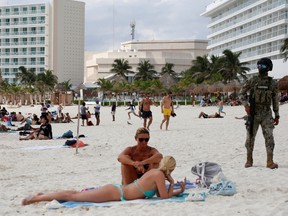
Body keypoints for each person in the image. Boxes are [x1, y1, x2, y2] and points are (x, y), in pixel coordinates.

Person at [22, 156, 186, 205]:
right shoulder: (157, 174)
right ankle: (36, 198)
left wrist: (179, 190)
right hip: (116, 192)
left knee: (76, 195)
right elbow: (164, 197)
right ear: (171, 168)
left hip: (118, 192)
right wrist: (172, 183)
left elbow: (161, 194)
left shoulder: (156, 174)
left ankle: (43, 195)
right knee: (74, 196)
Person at [239, 57, 279, 169]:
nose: (260, 68)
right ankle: (249, 160)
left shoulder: (272, 83)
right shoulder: (252, 80)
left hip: (267, 113)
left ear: (269, 68)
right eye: (259, 66)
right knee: (250, 138)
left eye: (263, 66)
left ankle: (270, 161)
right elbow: (241, 93)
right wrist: (246, 105)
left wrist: (277, 115)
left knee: (269, 138)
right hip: (253, 113)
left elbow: (275, 100)